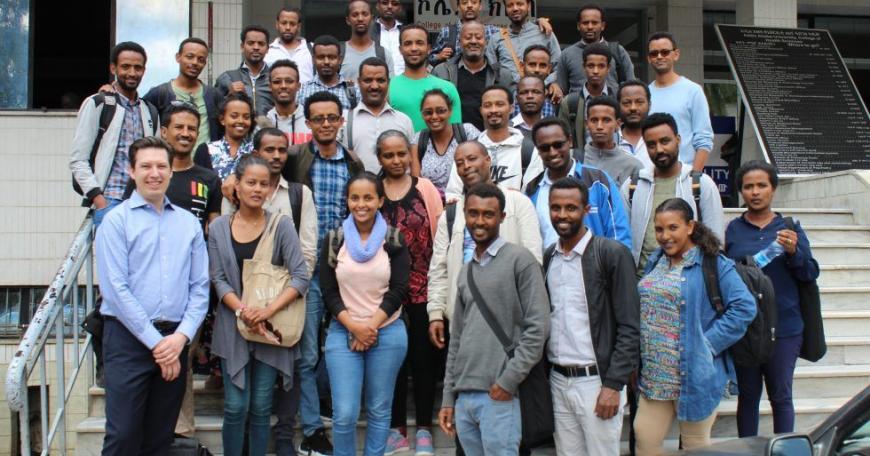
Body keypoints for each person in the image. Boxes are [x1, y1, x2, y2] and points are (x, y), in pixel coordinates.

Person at [95, 136, 209, 455]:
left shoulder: (188, 223)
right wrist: (158, 344)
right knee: (123, 435)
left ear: (171, 171)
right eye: (146, 166)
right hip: (127, 340)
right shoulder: (115, 221)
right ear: (132, 171)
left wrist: (181, 337)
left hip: (174, 340)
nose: (154, 173)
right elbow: (115, 290)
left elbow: (200, 288)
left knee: (160, 438)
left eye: (161, 166)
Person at [220, 128, 318, 456]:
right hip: (235, 316)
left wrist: (269, 308)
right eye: (251, 182)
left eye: (263, 184)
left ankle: (271, 444)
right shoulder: (222, 219)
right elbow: (218, 274)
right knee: (236, 406)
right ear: (238, 183)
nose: (258, 189)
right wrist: (243, 309)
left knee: (263, 403)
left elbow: (303, 268)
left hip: (276, 316)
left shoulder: (287, 214)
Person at [635, 198, 756, 455]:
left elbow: (744, 307)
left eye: (673, 227)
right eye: (659, 229)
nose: (665, 236)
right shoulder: (656, 260)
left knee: (695, 446)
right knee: (644, 439)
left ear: (690, 226)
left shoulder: (713, 263)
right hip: (655, 378)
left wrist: (707, 344)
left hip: (693, 375)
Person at [437, 182, 550, 456]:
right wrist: (448, 397)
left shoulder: (520, 261)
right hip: (465, 397)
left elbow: (538, 327)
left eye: (488, 214)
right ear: (465, 215)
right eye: (473, 213)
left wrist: (508, 382)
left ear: (502, 217)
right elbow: (457, 339)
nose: (480, 221)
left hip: (500, 395)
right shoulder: (466, 271)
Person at [283, 91, 365, 456]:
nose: (326, 124)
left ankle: (330, 402)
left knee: (342, 343)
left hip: (345, 270)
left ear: (341, 121)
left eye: (332, 117)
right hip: (307, 270)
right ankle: (313, 429)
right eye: (319, 118)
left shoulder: (353, 162)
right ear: (309, 123)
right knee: (306, 354)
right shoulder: (295, 158)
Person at [544, 176, 639, 456]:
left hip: (596, 383)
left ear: (586, 210)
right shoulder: (549, 257)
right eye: (556, 208)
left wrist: (614, 384)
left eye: (571, 208)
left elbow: (630, 326)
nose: (562, 215)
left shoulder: (611, 254)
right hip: (558, 380)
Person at [725, 160, 820, 437]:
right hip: (746, 329)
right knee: (748, 397)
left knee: (781, 396)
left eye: (761, 185)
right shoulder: (733, 230)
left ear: (773, 189)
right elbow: (725, 275)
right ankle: (748, 451)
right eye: (748, 187)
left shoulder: (789, 227)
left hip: (785, 327)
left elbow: (810, 273)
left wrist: (793, 253)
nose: (755, 192)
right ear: (741, 191)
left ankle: (785, 449)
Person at [320, 172, 410, 456]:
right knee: (344, 413)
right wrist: (354, 328)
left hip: (387, 331)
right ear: (347, 201)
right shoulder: (334, 240)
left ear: (380, 201)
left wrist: (369, 327)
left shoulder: (393, 239)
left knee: (379, 410)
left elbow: (399, 289)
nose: (361, 204)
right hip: (343, 330)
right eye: (355, 198)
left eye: (368, 198)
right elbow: (328, 291)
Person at [427, 140, 542, 357]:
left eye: (472, 159)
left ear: (488, 160)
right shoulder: (451, 214)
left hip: (509, 325)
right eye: (459, 163)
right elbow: (439, 269)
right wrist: (435, 314)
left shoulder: (517, 203)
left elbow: (533, 263)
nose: (466, 166)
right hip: (464, 324)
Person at [373, 131, 444, 456]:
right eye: (389, 155)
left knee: (423, 359)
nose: (396, 160)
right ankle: (397, 428)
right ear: (380, 158)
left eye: (402, 153)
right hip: (386, 293)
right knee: (393, 362)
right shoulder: (373, 190)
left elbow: (440, 237)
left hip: (424, 288)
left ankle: (425, 428)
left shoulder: (424, 188)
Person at [620, 113, 723, 273]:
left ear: (678, 140)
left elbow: (716, 244)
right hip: (641, 281)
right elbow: (622, 241)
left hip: (689, 281)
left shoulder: (701, 184)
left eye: (665, 141)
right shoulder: (632, 185)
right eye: (651, 145)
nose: (659, 149)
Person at [70, 41, 158, 226]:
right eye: (125, 66)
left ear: (144, 70)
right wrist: (98, 199)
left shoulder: (149, 111)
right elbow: (78, 160)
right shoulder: (98, 104)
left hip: (143, 203)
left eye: (138, 68)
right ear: (113, 68)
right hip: (109, 201)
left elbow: (156, 159)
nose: (132, 73)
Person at [524, 117, 631, 249]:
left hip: (594, 262)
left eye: (558, 145)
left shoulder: (597, 181)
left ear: (569, 141)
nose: (552, 152)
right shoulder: (532, 189)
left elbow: (618, 234)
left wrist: (617, 260)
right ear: (538, 150)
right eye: (545, 148)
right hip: (550, 262)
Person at [647, 32, 713, 171]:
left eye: (665, 52)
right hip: (651, 174)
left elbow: (704, 139)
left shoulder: (693, 91)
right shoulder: (644, 95)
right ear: (649, 58)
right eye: (654, 53)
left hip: (684, 174)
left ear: (676, 54)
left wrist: (694, 176)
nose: (659, 56)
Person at [444, 85, 526, 198]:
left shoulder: (527, 149)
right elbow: (454, 194)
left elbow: (532, 194)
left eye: (499, 104)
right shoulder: (468, 149)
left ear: (511, 108)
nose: (493, 110)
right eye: (487, 105)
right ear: (481, 110)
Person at [431, 20, 513, 131]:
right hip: (453, 137)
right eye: (468, 37)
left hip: (489, 137)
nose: (473, 41)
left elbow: (510, 113)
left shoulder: (502, 75)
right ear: (460, 42)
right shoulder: (441, 72)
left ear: (486, 42)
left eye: (478, 37)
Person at [143, 37, 223, 146]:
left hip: (206, 156)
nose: (195, 62)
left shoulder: (214, 95)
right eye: (190, 57)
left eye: (201, 59)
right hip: (169, 156)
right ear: (178, 57)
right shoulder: (159, 94)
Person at [339, 57, 414, 173]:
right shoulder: (344, 120)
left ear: (388, 82)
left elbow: (412, 163)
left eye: (380, 80)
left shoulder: (404, 120)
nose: (374, 86)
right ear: (358, 82)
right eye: (368, 80)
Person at [428, 0, 552, 66]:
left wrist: (537, 22)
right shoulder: (447, 32)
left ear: (480, 6)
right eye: (464, 3)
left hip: (485, 82)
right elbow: (428, 59)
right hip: (454, 83)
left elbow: (517, 29)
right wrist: (439, 57)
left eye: (474, 2)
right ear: (459, 7)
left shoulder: (493, 31)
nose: (469, 6)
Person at [388, 24, 462, 132]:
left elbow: (455, 135)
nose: (414, 48)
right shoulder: (388, 88)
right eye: (408, 43)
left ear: (429, 48)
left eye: (419, 43)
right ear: (400, 49)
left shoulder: (448, 89)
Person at [410, 89, 481, 193]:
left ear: (450, 111)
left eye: (440, 111)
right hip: (431, 201)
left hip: (467, 197)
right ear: (422, 115)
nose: (434, 116)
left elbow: (483, 167)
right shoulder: (418, 139)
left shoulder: (467, 132)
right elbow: (417, 184)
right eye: (428, 112)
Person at [557, 4, 635, 94]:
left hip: (611, 102)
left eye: (594, 23)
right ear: (578, 26)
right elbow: (561, 89)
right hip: (579, 103)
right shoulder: (567, 54)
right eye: (585, 23)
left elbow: (631, 85)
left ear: (602, 26)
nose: (590, 27)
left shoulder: (618, 51)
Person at [557, 43, 619, 148]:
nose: (595, 71)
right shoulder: (570, 102)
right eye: (591, 66)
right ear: (583, 67)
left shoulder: (617, 99)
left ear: (608, 68)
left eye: (601, 66)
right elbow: (562, 139)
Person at [488, 0, 561, 88]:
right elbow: (491, 72)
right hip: (508, 94)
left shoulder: (544, 32)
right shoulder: (496, 38)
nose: (515, 8)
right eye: (510, 5)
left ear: (529, 6)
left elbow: (559, 67)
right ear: (506, 9)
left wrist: (544, 84)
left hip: (539, 93)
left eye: (519, 4)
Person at [582, 96, 643, 187]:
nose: (599, 126)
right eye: (594, 120)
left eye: (606, 120)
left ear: (617, 124)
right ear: (586, 124)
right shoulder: (575, 159)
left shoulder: (633, 166)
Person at [194, 92, 255, 180]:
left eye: (246, 117)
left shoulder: (256, 150)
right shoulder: (206, 150)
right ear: (222, 119)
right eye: (234, 116)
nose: (241, 121)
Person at [216, 25, 273, 116]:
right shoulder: (227, 78)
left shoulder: (275, 79)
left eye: (261, 44)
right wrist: (229, 96)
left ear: (267, 49)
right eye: (251, 43)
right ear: (242, 46)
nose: (256, 47)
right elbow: (216, 110)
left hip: (268, 125)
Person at [297, 35, 360, 112]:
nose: (326, 62)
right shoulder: (302, 92)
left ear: (339, 59)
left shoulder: (355, 91)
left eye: (331, 57)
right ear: (313, 60)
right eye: (321, 57)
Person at [340, 0, 395, 81]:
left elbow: (390, 86)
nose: (360, 19)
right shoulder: (339, 53)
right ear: (348, 20)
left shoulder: (384, 54)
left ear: (371, 18)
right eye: (355, 15)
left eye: (365, 14)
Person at [264, 59, 312, 146]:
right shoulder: (264, 123)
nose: (283, 86)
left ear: (298, 86)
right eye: (277, 82)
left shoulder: (311, 120)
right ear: (270, 86)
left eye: (289, 81)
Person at [265, 7, 314, 85]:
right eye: (284, 23)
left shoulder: (312, 49)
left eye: (292, 24)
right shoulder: (267, 51)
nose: (288, 28)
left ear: (299, 26)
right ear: (277, 25)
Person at [510, 45, 557, 119]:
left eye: (542, 65)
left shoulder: (555, 97)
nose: (537, 70)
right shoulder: (509, 96)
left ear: (549, 69)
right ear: (522, 66)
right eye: (532, 65)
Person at [617, 79, 654, 169]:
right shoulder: (610, 141)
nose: (633, 108)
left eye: (639, 102)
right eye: (627, 103)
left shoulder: (659, 140)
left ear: (649, 105)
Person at [371, 0, 404, 75]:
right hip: (377, 79)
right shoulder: (368, 31)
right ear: (377, 6)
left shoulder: (406, 31)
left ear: (400, 8)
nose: (389, 6)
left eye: (395, 4)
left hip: (404, 80)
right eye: (385, 3)